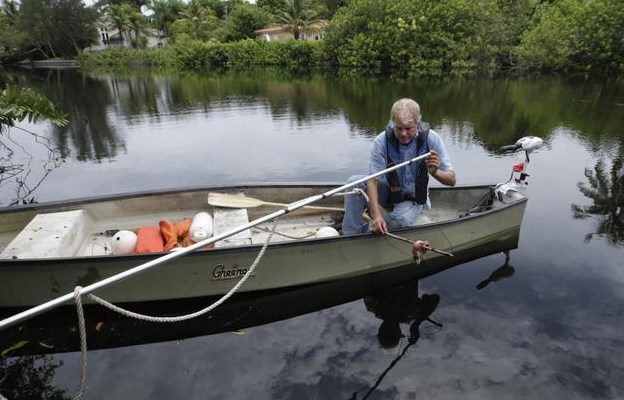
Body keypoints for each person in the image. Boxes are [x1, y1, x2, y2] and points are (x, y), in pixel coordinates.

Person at [342, 98, 456, 235]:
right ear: (393, 123)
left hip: (412, 199)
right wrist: (376, 215)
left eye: (409, 129)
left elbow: (452, 180)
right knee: (354, 183)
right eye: (399, 128)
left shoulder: (432, 139)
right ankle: (349, 234)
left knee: (400, 220)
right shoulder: (381, 141)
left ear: (417, 124)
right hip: (389, 191)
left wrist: (436, 172)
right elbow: (372, 180)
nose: (403, 133)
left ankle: (364, 233)